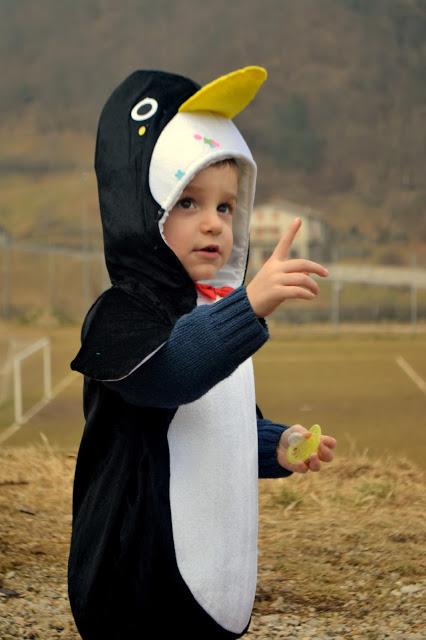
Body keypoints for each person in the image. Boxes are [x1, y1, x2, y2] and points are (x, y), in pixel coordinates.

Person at [67, 66, 336, 640]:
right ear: (144, 208)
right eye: (188, 202)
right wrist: (251, 306)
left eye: (224, 207)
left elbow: (218, 426)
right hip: (138, 586)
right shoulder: (124, 311)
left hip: (213, 578)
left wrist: (278, 444)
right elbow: (170, 376)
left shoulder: (218, 308)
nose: (213, 222)